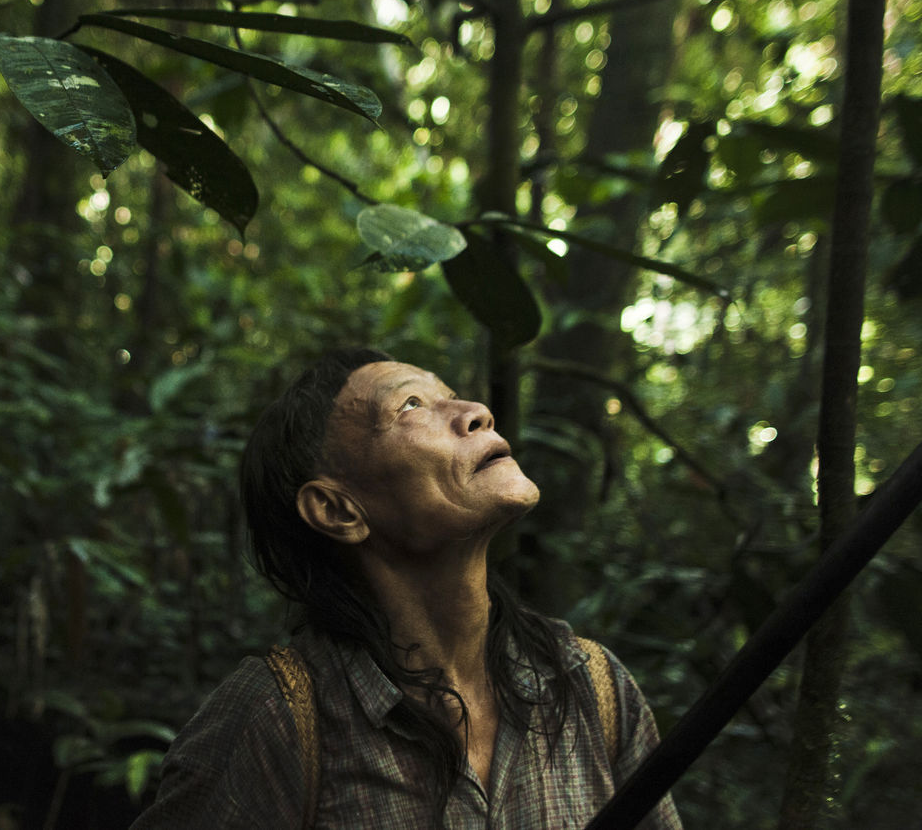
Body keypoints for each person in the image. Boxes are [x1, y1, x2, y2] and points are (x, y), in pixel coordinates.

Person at [131, 348, 682, 829]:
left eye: (451, 395)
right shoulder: (274, 719)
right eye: (411, 405)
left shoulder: (592, 687)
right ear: (338, 510)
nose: (476, 412)